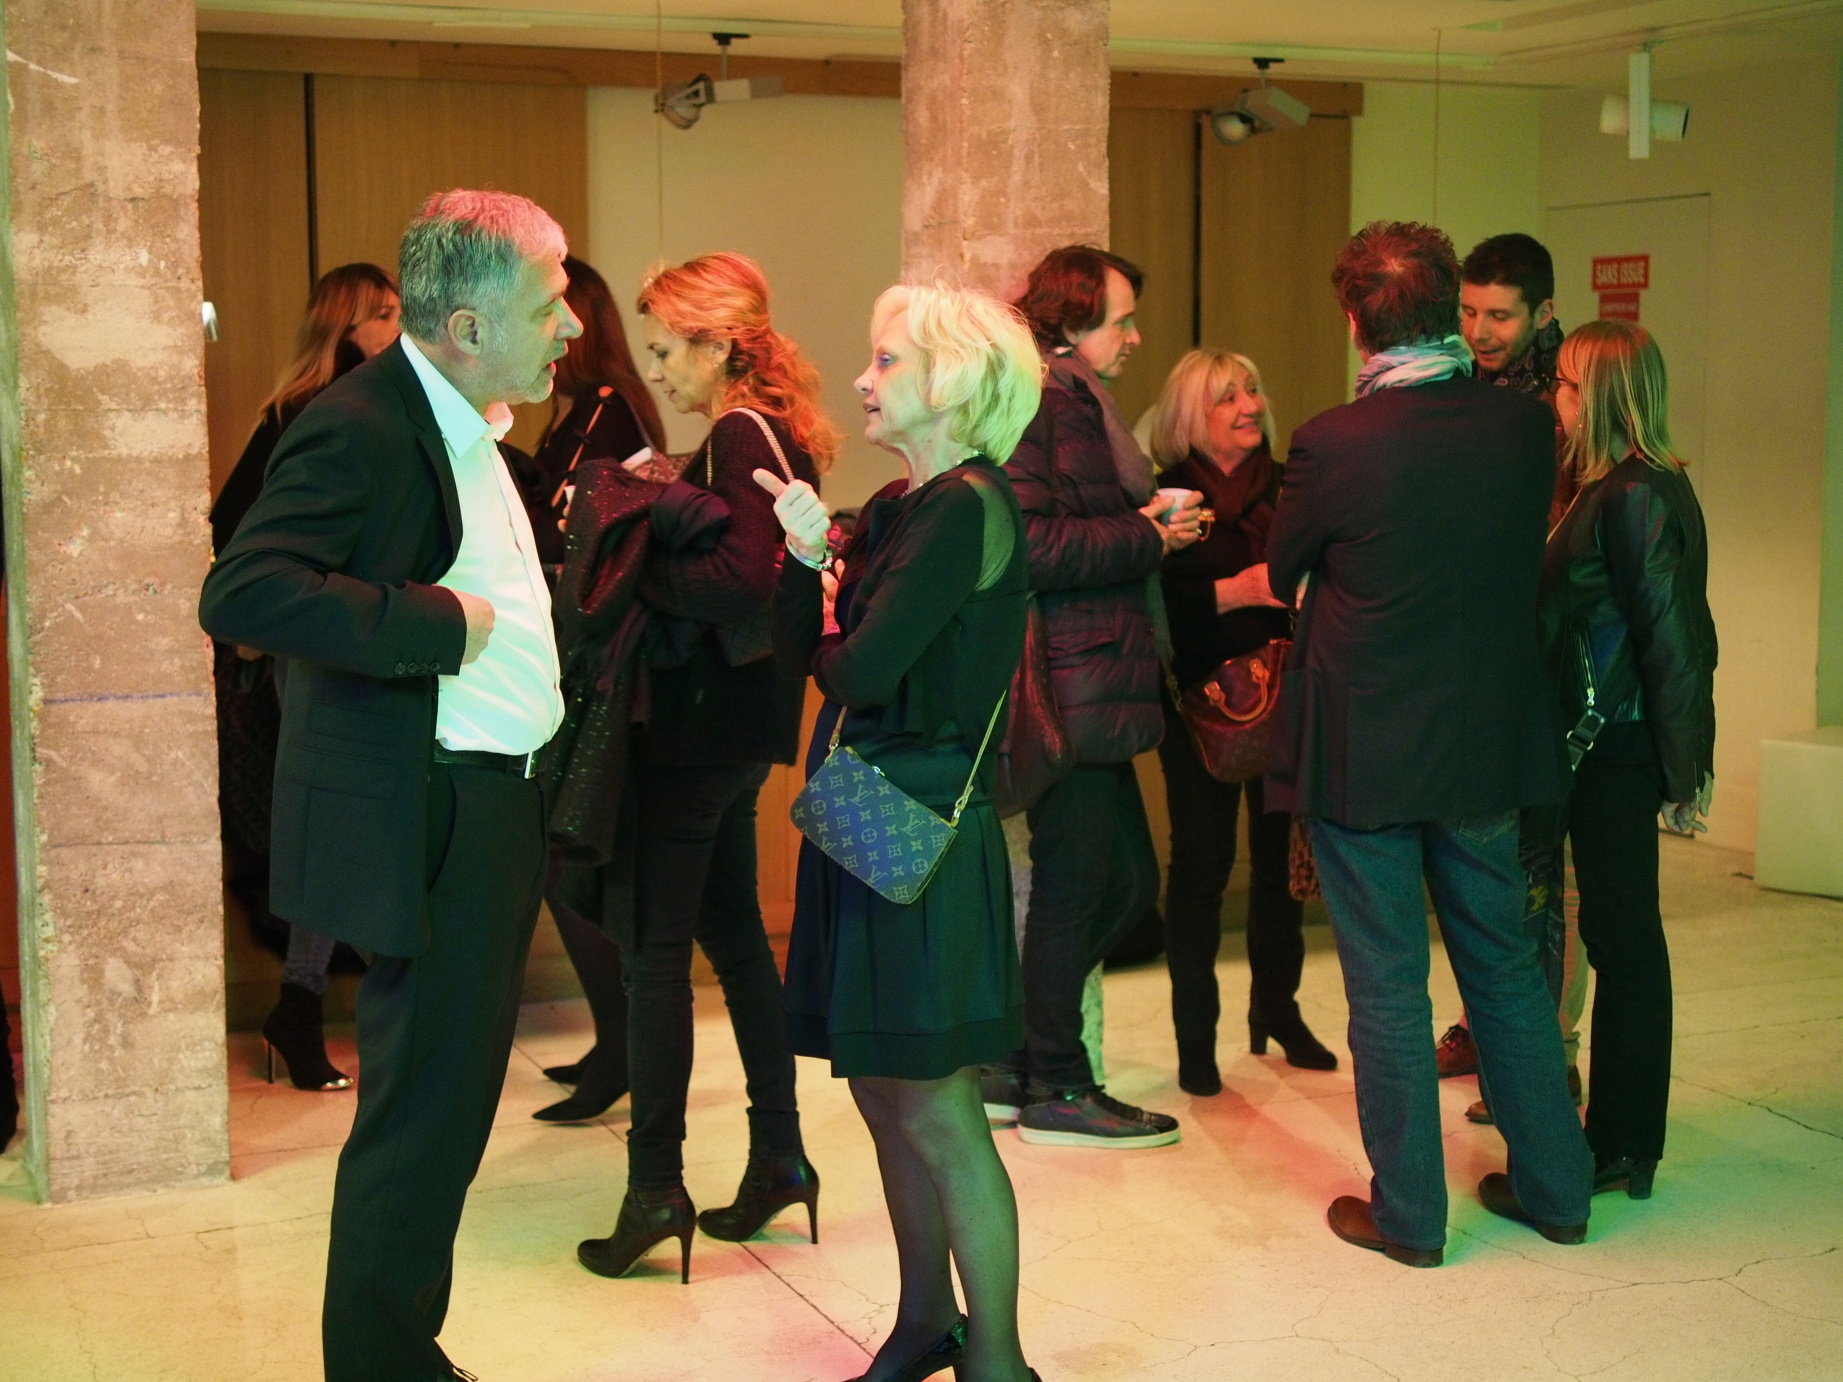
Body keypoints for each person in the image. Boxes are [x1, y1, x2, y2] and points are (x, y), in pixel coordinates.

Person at [200, 188, 580, 1381]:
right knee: (421, 1113)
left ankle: (402, 1351)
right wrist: (433, 623)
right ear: (467, 325)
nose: (571, 323)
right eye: (550, 302)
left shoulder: (468, 423)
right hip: (439, 807)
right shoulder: (362, 422)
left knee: (446, 1106)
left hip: (494, 800)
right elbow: (244, 588)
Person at [1268, 220, 1592, 1266]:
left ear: (1354, 320)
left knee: (1386, 986)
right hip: (1483, 737)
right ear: (1450, 309)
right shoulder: (1524, 428)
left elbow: (1283, 567)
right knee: (1503, 965)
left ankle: (1409, 1217)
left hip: (1364, 742)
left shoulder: (1332, 440)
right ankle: (1557, 1190)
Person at [767, 281, 1045, 1382]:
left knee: (933, 1107)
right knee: (885, 1093)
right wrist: (812, 564)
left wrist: (814, 589)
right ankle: (927, 1320)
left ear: (952, 380)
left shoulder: (960, 507)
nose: (862, 379)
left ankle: (999, 1361)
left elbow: (856, 670)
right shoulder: (911, 503)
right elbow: (833, 653)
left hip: (914, 841)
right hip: (875, 825)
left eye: (886, 361)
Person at [574, 253, 830, 1282]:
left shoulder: (737, 431)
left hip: (693, 731)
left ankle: (655, 1187)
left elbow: (735, 582)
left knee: (653, 954)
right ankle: (778, 1158)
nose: (657, 368)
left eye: (667, 348)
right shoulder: (773, 429)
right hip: (733, 731)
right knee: (732, 939)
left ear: (720, 343)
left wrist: (630, 559)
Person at [982, 245, 1199, 1149]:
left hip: (1092, 678)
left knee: (1119, 883)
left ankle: (1018, 1062)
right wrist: (1148, 534)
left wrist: (1144, 530)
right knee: (1086, 886)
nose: (1135, 336)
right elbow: (1032, 545)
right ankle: (1056, 1082)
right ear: (1071, 321)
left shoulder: (1070, 397)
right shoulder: (1049, 399)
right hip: (1072, 683)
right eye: (1121, 319)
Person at [209, 261, 401, 1094]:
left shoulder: (322, 407)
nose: (397, 326)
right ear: (345, 327)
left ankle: (307, 1001)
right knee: (339, 832)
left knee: (345, 831)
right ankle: (312, 1002)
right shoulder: (320, 412)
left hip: (342, 646)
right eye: (382, 314)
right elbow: (235, 535)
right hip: (325, 650)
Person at [1542, 319, 1715, 1201]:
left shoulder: (1634, 493)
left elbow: (1672, 640)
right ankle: (1619, 1138)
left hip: (1612, 743)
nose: (1554, 397)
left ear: (1598, 396)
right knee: (1617, 936)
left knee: (1623, 942)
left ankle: (1621, 1143)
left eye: (1565, 384)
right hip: (1603, 738)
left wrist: (1683, 772)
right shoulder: (1612, 485)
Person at [1142, 349, 1335, 1095]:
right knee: (1201, 866)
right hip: (1197, 707)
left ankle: (1277, 1011)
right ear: (1191, 416)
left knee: (1281, 865)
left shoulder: (1291, 487)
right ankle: (1196, 1039)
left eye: (1252, 391)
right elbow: (1152, 611)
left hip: (1286, 697)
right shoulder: (1164, 499)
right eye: (1227, 397)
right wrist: (1240, 590)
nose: (1249, 406)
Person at [509, 255, 666, 1125]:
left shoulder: (610, 412)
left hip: (600, 666)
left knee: (573, 858)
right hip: (578, 661)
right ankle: (618, 1041)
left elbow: (587, 536)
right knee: (566, 859)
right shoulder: (584, 413)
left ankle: (624, 1043)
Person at [1439, 232, 1586, 1101]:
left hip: (1548, 656)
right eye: (1467, 311)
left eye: (1497, 315)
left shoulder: (1564, 404)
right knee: (1484, 858)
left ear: (1542, 313)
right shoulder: (1461, 386)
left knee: (1550, 870)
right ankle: (1486, 1025)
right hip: (1478, 655)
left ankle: (1548, 1054)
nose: (1478, 330)